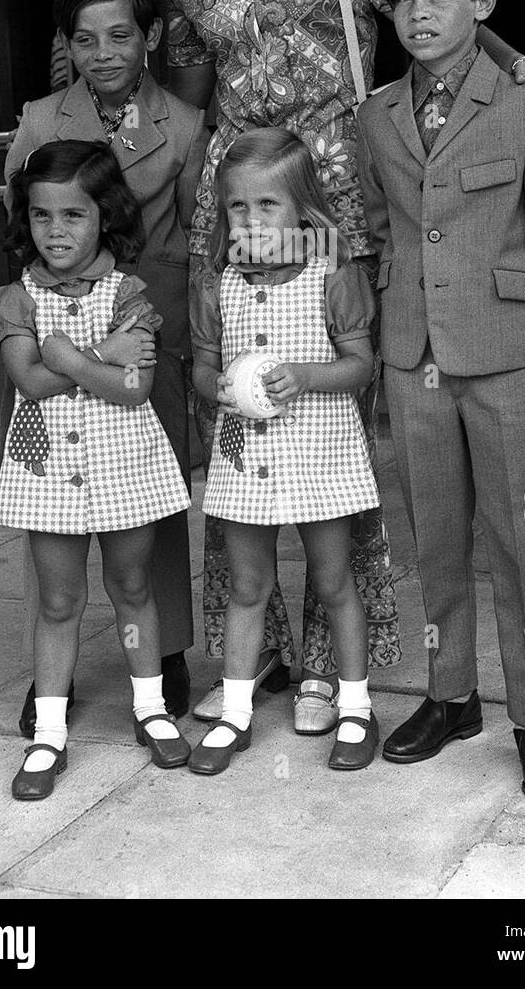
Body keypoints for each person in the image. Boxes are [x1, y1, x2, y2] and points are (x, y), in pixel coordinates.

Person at [161, 0, 525, 732]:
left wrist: (518, 64)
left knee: (338, 435)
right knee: (247, 421)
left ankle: (338, 660)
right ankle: (260, 647)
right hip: (239, 221)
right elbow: (190, 90)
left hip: (343, 212)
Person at [356, 0, 525, 801]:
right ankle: (450, 694)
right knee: (434, 538)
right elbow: (383, 230)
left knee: (522, 539)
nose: (418, 14)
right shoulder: (376, 116)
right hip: (412, 353)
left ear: (483, 3)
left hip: (504, 352)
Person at [4, 0, 208, 730]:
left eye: (120, 35)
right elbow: (22, 229)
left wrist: (176, 338)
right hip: (55, 332)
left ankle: (167, 649)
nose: (104, 54)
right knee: (49, 503)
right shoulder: (39, 120)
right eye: (85, 40)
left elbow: (192, 240)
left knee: (152, 497)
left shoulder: (183, 124)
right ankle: (48, 671)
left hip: (145, 334)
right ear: (67, 45)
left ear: (149, 36)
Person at [0, 141, 192, 799]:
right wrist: (102, 355)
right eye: (41, 215)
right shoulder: (14, 299)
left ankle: (151, 709)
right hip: (47, 476)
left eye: (73, 214)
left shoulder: (129, 294)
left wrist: (71, 358)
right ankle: (49, 733)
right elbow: (30, 381)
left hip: (125, 467)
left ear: (106, 215)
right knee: (58, 600)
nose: (55, 230)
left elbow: (135, 389)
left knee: (132, 585)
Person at [188, 129, 381, 774]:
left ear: (302, 208)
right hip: (246, 459)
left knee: (333, 581)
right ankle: (236, 714)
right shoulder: (217, 283)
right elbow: (203, 368)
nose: (251, 219)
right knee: (248, 586)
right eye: (237, 206)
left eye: (268, 204)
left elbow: (360, 366)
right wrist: (216, 387)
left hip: (321, 453)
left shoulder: (334, 275)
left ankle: (355, 708)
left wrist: (304, 375)